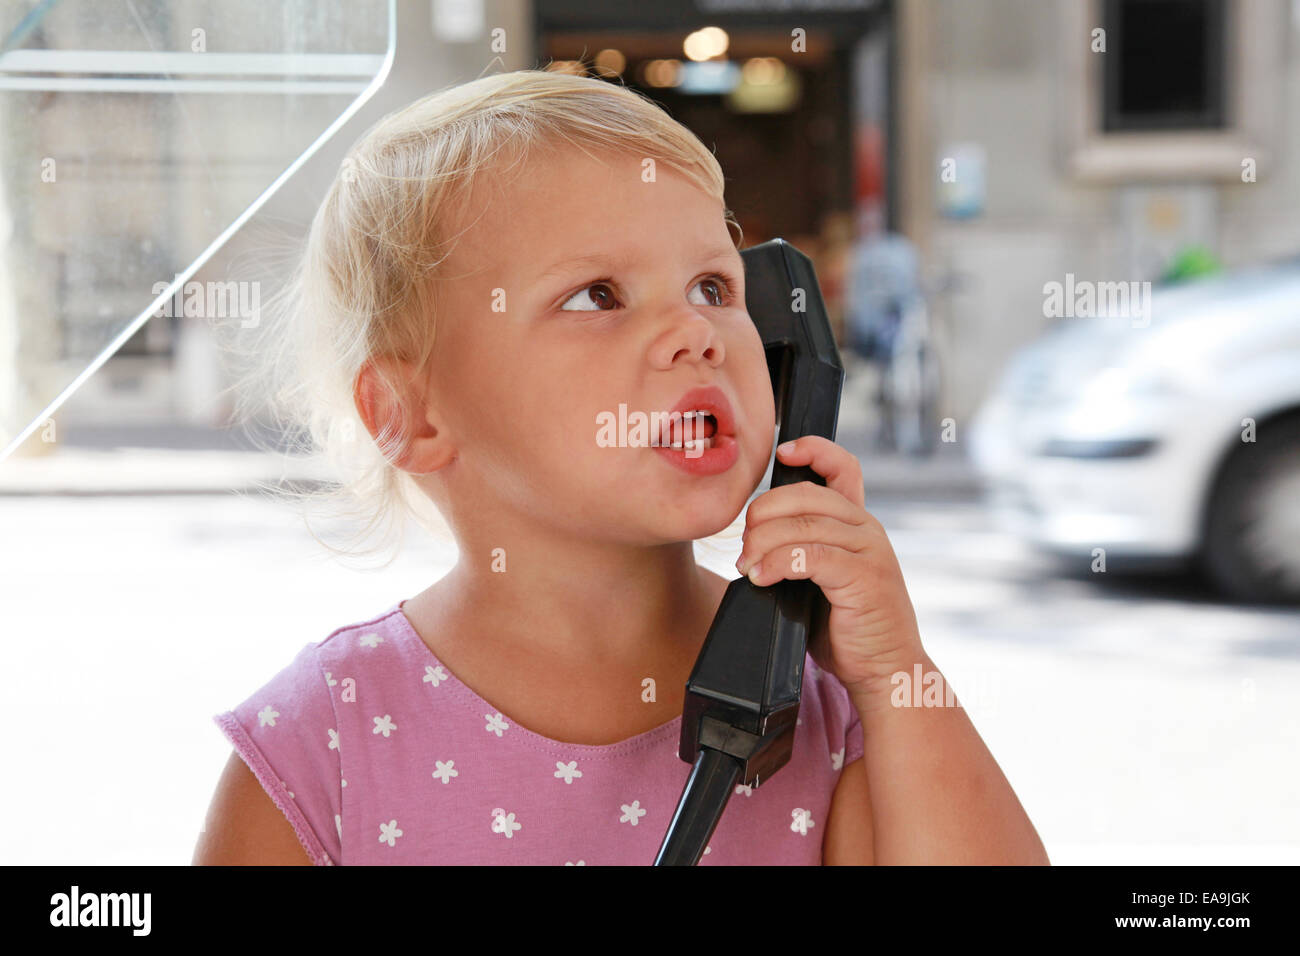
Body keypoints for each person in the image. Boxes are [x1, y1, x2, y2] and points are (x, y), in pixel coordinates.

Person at [193, 70, 1048, 866]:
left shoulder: (832, 718)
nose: (696, 332)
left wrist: (899, 676)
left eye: (713, 287)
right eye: (596, 294)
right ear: (409, 415)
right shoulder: (323, 745)